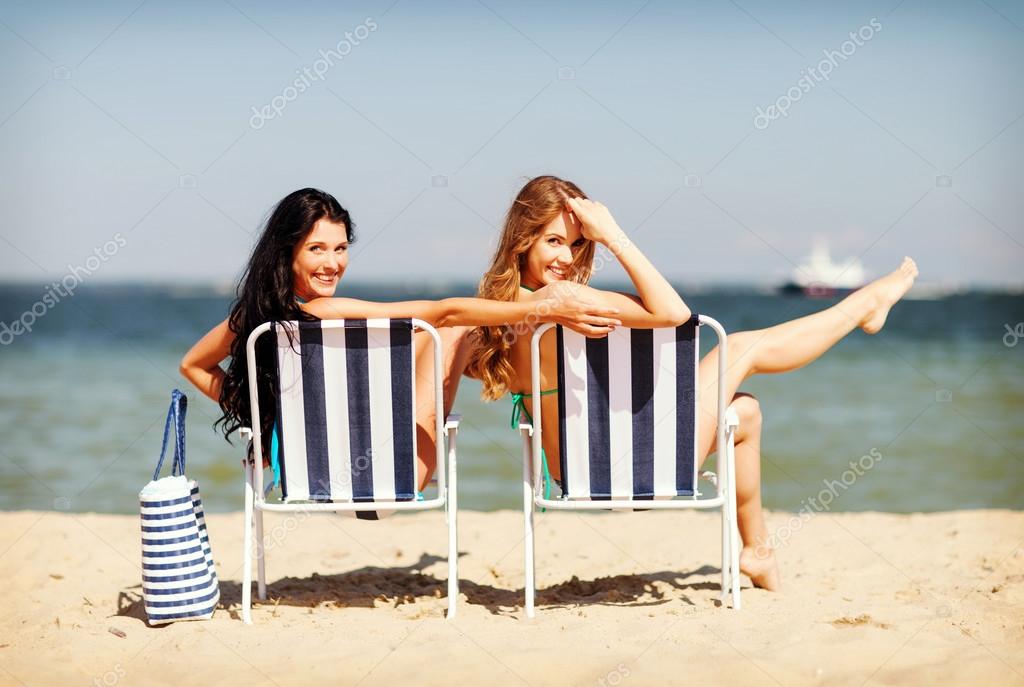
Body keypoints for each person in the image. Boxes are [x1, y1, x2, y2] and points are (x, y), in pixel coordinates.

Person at [466, 175, 919, 591]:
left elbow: (470, 361)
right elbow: (675, 313)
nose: (567, 257)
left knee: (744, 413)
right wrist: (613, 235)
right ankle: (860, 307)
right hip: (627, 469)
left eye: (578, 244)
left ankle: (757, 553)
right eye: (553, 241)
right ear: (523, 238)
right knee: (740, 349)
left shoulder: (499, 309)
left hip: (577, 472)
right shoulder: (562, 297)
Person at [180, 187, 622, 492]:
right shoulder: (324, 310)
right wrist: (539, 308)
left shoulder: (254, 317)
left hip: (303, 477)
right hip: (390, 480)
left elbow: (193, 366)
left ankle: (495, 365)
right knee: (453, 328)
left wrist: (261, 421)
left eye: (340, 248)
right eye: (317, 249)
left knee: (437, 336)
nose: (332, 263)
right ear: (287, 251)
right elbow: (444, 313)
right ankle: (519, 379)